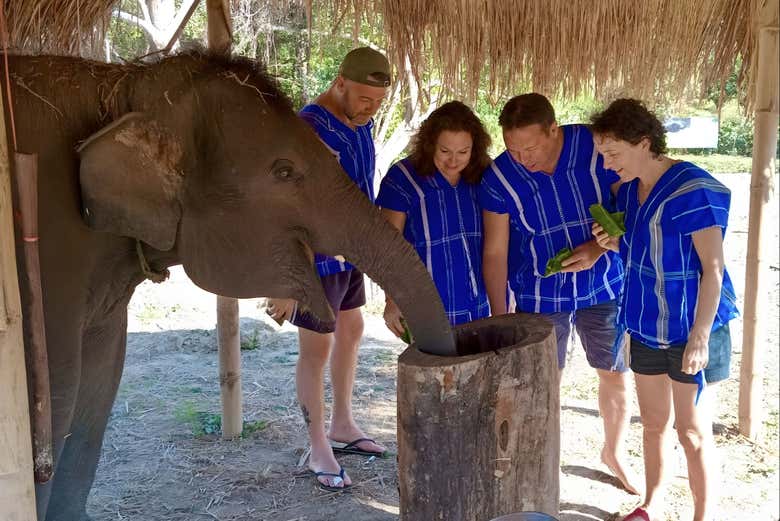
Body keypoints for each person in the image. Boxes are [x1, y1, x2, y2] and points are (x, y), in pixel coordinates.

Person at [479, 93, 640, 494]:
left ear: (554, 129)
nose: (522, 158)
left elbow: (631, 200)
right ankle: (542, 460)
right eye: (512, 149)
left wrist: (598, 247)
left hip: (604, 282)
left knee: (615, 372)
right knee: (543, 383)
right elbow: (495, 251)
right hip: (539, 294)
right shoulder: (500, 178)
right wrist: (500, 317)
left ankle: (614, 451)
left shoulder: (594, 146)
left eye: (530, 148)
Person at [590, 98, 738, 521]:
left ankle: (702, 516)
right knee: (654, 424)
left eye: (613, 154)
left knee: (691, 432)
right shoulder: (629, 191)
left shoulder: (692, 189)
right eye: (603, 155)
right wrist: (612, 243)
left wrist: (700, 338)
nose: (607, 165)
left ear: (644, 142)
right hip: (645, 324)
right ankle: (651, 505)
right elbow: (643, 253)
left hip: (691, 328)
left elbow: (713, 270)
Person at [266, 47, 391, 491]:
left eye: (378, 101)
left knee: (352, 330)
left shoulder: (361, 123)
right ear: (339, 83)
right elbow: (283, 207)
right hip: (313, 258)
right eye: (364, 98)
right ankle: (317, 446)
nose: (371, 108)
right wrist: (285, 279)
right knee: (316, 349)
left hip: (349, 253)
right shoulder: (307, 128)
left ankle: (342, 424)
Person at [376, 101, 492, 333]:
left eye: (463, 152)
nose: (453, 161)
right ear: (430, 145)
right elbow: (388, 244)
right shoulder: (402, 178)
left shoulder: (485, 174)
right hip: (425, 308)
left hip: (480, 305)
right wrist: (391, 299)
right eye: (444, 151)